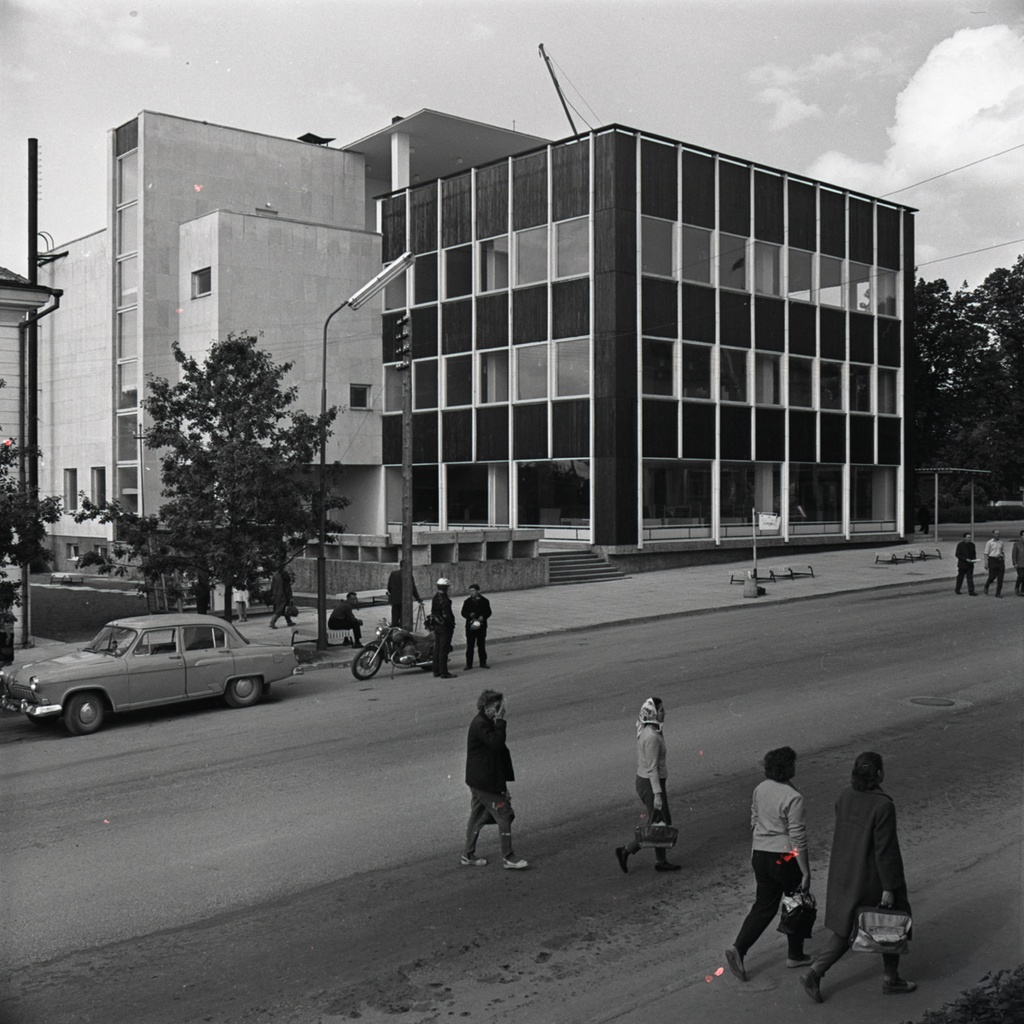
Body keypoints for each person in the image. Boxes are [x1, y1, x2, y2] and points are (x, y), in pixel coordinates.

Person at [799, 752, 915, 1003]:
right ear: (880, 774)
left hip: (844, 869)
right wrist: (889, 886)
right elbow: (885, 850)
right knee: (889, 922)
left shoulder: (845, 795)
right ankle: (890, 979)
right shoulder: (883, 805)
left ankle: (815, 972)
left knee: (846, 927)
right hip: (870, 876)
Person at [725, 746, 812, 982]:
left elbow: (754, 816)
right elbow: (797, 838)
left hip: (760, 855)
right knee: (796, 902)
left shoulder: (760, 788)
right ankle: (795, 954)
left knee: (764, 905)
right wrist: (805, 871)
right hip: (784, 857)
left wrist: (763, 834)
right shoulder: (793, 797)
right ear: (788, 768)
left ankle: (739, 948)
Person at [462, 688, 528, 870]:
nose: (500, 710)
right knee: (504, 813)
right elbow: (497, 744)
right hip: (485, 782)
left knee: (477, 816)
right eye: (497, 707)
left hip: (479, 779)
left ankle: (468, 854)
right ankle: (509, 857)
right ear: (487, 707)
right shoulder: (482, 724)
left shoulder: (484, 721)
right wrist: (501, 721)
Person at [615, 697, 681, 874]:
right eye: (661, 711)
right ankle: (626, 851)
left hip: (650, 782)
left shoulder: (648, 728)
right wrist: (658, 794)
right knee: (658, 824)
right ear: (652, 713)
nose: (664, 713)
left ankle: (660, 860)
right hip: (651, 784)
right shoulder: (652, 736)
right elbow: (652, 768)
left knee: (661, 822)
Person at [430, 577, 457, 679]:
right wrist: (451, 624)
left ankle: (436, 670)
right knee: (443, 649)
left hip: (437, 626)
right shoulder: (444, 599)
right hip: (444, 627)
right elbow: (446, 615)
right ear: (446, 588)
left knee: (437, 648)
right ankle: (444, 672)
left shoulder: (435, 597)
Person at [461, 583, 492, 670]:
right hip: (471, 626)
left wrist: (483, 616)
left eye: (473, 590)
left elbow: (488, 612)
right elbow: (463, 612)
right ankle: (469, 664)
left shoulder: (485, 601)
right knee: (470, 645)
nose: (472, 592)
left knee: (481, 645)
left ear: (478, 591)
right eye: (470, 591)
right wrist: (469, 615)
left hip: (481, 626)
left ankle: (483, 662)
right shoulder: (467, 602)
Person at [387, 561, 421, 628]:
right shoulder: (409, 575)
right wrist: (418, 598)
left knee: (395, 619)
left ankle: (394, 632)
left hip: (395, 600)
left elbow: (389, 587)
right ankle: (402, 632)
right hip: (405, 601)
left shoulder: (393, 574)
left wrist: (393, 594)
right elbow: (413, 588)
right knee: (403, 619)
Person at [982, 529, 1006, 597]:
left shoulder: (1001, 542)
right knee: (992, 576)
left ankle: (998, 593)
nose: (998, 535)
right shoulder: (989, 542)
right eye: (996, 533)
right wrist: (986, 563)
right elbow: (986, 553)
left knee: (1000, 578)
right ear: (993, 534)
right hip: (992, 560)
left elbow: (1003, 552)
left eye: (999, 533)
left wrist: (1003, 559)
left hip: (1000, 560)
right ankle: (987, 585)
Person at [954, 532, 978, 596]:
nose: (969, 539)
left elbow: (974, 553)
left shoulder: (972, 545)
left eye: (970, 537)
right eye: (968, 537)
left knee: (970, 578)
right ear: (964, 538)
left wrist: (974, 559)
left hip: (970, 564)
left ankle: (971, 591)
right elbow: (957, 554)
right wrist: (965, 559)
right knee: (960, 578)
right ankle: (957, 589)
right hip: (962, 564)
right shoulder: (960, 545)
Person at [1011, 529, 1024, 597]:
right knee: (1021, 576)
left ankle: (1023, 591)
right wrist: (1015, 563)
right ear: (1021, 536)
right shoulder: (1017, 544)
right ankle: (1017, 587)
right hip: (1019, 563)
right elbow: (1014, 554)